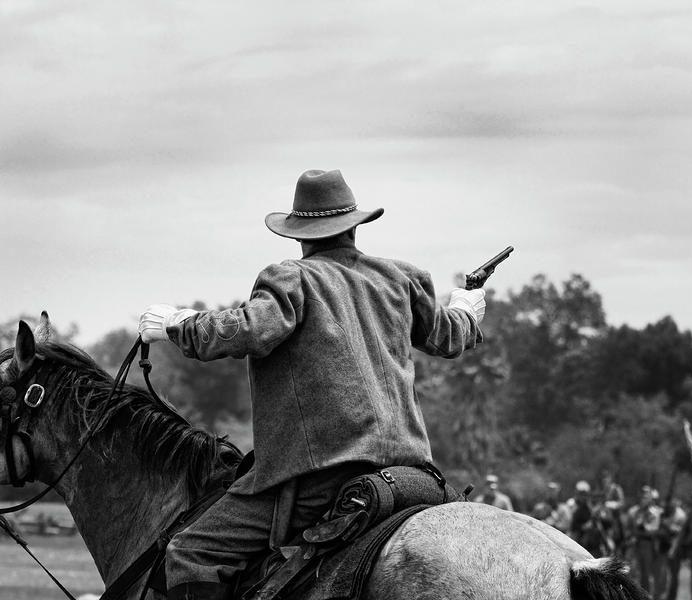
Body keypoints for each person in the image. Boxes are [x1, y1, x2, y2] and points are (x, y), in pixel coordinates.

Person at [138, 169, 486, 600]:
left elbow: (249, 329)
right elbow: (447, 334)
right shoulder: (401, 279)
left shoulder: (291, 278)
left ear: (299, 234)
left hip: (322, 479)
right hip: (415, 472)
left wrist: (180, 324)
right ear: (355, 226)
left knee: (191, 551)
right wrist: (469, 311)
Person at [628, 486, 664, 599]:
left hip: (648, 545)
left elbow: (653, 530)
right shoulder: (633, 511)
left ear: (651, 498)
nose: (644, 498)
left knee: (648, 574)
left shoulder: (655, 512)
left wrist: (641, 528)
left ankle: (649, 596)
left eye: (646, 496)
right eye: (642, 496)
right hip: (634, 545)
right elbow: (629, 528)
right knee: (634, 572)